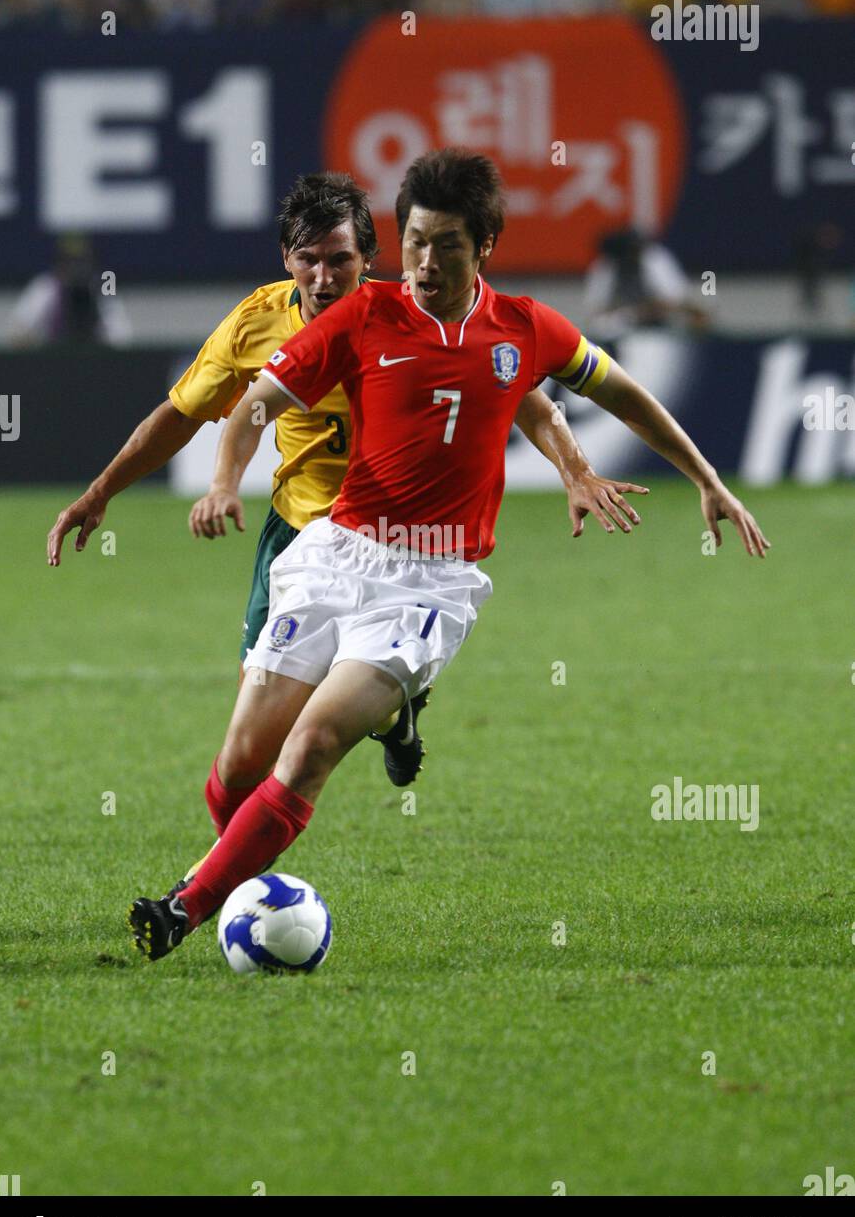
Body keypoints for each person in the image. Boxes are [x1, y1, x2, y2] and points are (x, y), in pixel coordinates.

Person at [127, 148, 768, 961]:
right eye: (416, 242)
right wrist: (224, 482)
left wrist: (706, 479)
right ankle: (253, 864)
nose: (426, 263)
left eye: (448, 246)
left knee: (316, 743)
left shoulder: (525, 329)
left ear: (486, 246)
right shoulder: (363, 317)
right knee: (240, 763)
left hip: (429, 582)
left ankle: (184, 906)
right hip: (335, 556)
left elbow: (620, 391)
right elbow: (257, 402)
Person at [47, 172, 643, 799]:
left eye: (340, 261)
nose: (324, 278)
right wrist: (103, 491)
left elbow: (531, 400)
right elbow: (183, 414)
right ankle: (375, 739)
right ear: (287, 259)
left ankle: (250, 861)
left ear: (368, 261)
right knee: (255, 746)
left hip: (396, 548)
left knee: (313, 736)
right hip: (300, 538)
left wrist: (576, 471)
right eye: (308, 260)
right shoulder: (254, 325)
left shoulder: (408, 313)